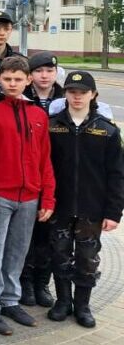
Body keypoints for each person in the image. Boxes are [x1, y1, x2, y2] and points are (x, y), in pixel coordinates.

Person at [0, 56, 55, 336]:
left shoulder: (38, 115)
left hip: (30, 195)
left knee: (18, 250)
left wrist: (48, 198)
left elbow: (45, 159)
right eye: (7, 79)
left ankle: (10, 299)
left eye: (17, 79)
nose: (12, 83)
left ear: (28, 81)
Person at [47, 71, 124, 328]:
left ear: (93, 95)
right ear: (65, 94)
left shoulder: (107, 131)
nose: (77, 97)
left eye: (82, 92)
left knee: (87, 258)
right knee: (59, 254)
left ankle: (82, 305)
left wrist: (114, 212)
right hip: (59, 206)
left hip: (92, 208)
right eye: (71, 92)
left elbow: (117, 175)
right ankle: (62, 301)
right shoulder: (52, 126)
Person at [19, 51, 63, 309]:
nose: (44, 76)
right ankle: (24, 281)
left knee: (47, 234)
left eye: (49, 71)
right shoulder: (25, 98)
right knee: (26, 233)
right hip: (28, 173)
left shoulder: (65, 96)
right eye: (38, 71)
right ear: (30, 75)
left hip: (57, 172)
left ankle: (41, 284)